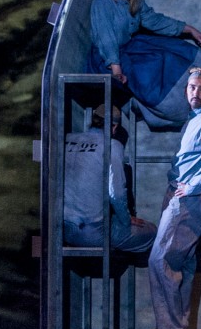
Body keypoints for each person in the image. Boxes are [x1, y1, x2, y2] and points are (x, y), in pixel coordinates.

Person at [146, 67, 201, 329]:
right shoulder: (194, 118)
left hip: (187, 199)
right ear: (186, 91)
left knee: (160, 259)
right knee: (183, 262)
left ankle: (171, 327)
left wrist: (191, 187)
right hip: (180, 195)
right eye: (192, 87)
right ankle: (177, 325)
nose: (196, 92)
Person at [89, 0, 201, 128]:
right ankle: (177, 107)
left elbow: (155, 21)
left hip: (130, 48)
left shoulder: (136, 1)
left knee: (171, 52)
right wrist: (116, 70)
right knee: (147, 76)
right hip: (108, 58)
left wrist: (189, 30)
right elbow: (106, 38)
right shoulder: (103, 1)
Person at [63, 104, 155, 252]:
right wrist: (126, 220)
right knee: (150, 231)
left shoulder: (67, 139)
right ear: (114, 127)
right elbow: (116, 193)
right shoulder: (112, 145)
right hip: (90, 232)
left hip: (61, 229)